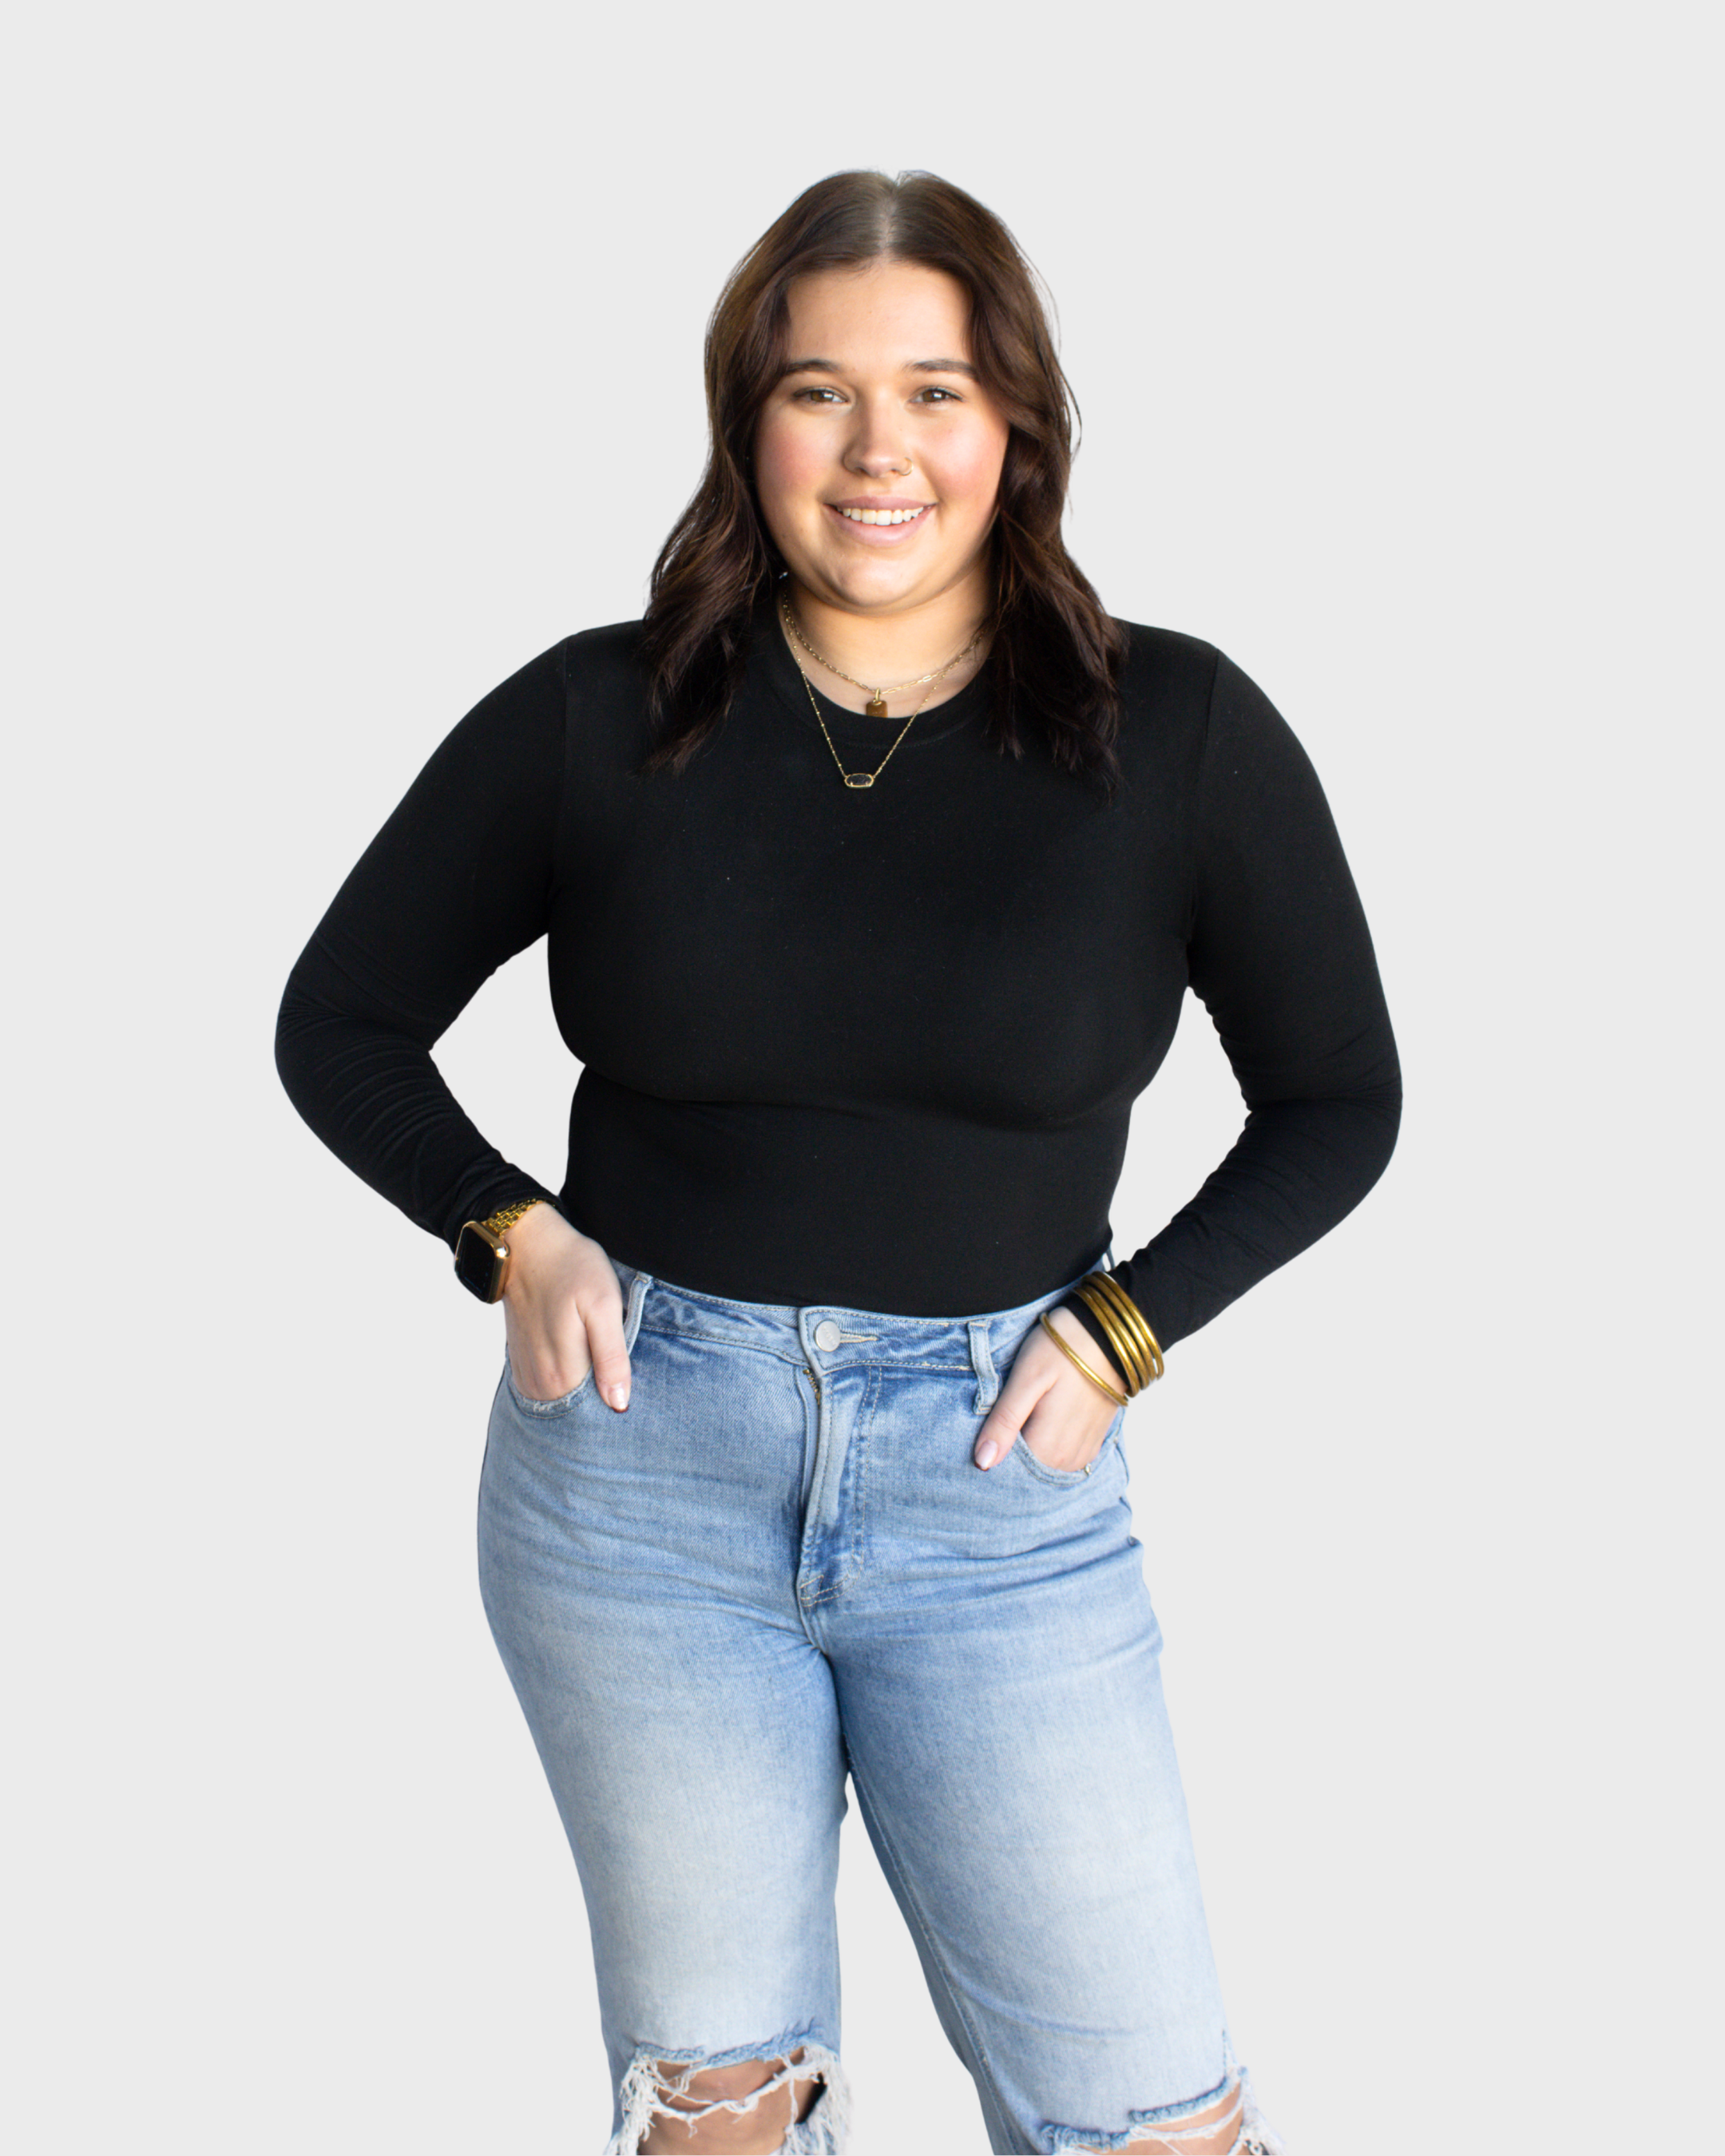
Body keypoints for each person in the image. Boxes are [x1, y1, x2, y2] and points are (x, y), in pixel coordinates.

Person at [276, 168, 1399, 2156]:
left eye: (939, 391)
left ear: (1019, 427)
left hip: (999, 1493)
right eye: (819, 392)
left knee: (1150, 2119)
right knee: (722, 2113)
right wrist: (509, 1233)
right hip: (639, 1490)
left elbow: (1340, 1099)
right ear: (747, 423)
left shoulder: (1181, 734)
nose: (881, 449)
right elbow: (340, 1017)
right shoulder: (598, 715)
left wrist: (1131, 1327)